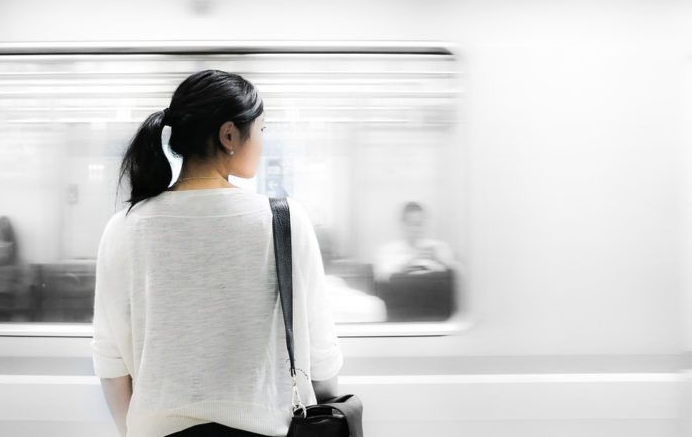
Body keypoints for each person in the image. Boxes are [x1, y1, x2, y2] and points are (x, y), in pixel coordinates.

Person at [91, 69, 343, 437]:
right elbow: (320, 356)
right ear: (229, 135)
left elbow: (111, 361)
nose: (263, 139)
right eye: (261, 129)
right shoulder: (284, 220)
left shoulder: (124, 227)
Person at [374, 202, 458, 282]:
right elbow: (380, 279)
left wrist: (438, 260)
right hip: (399, 294)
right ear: (403, 224)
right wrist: (411, 260)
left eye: (420, 224)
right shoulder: (388, 251)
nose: (417, 229)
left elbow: (459, 276)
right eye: (412, 224)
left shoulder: (438, 247)